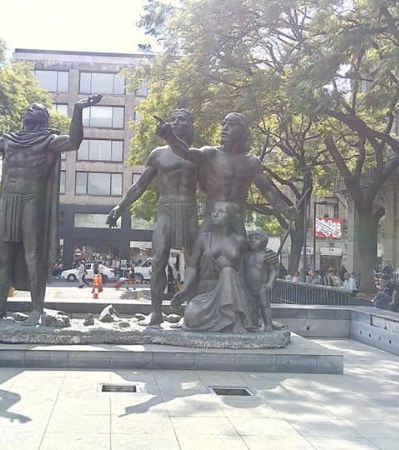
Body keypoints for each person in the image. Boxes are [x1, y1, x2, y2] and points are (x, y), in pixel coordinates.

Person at [0, 94, 102, 325]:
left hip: (33, 200)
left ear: (43, 118)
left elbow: (74, 142)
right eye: (27, 108)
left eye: (34, 108)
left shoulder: (48, 140)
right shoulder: (8, 140)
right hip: (9, 200)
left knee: (33, 254)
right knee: (2, 255)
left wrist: (78, 109)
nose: (28, 110)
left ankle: (37, 309)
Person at [108, 109, 199, 326]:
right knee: (158, 261)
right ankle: (156, 313)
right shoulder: (158, 154)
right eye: (172, 119)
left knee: (195, 262)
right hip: (166, 209)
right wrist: (120, 207)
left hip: (189, 210)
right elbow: (140, 185)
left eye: (181, 119)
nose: (175, 122)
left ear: (190, 125)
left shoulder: (198, 155)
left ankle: (193, 313)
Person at [171, 202, 255, 332]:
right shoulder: (203, 239)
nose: (215, 214)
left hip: (235, 294)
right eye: (214, 211)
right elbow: (192, 267)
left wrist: (268, 257)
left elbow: (251, 263)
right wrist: (185, 289)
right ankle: (228, 321)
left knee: (228, 272)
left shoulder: (240, 241)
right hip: (207, 292)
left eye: (221, 211)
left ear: (231, 216)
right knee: (191, 316)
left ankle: (237, 319)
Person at [244, 228, 276, 331]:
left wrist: (270, 283)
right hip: (248, 286)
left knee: (264, 305)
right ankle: (253, 324)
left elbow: (273, 271)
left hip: (262, 285)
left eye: (256, 238)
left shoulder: (266, 255)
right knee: (251, 306)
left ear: (263, 240)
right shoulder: (246, 255)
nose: (253, 240)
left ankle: (268, 325)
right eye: (251, 238)